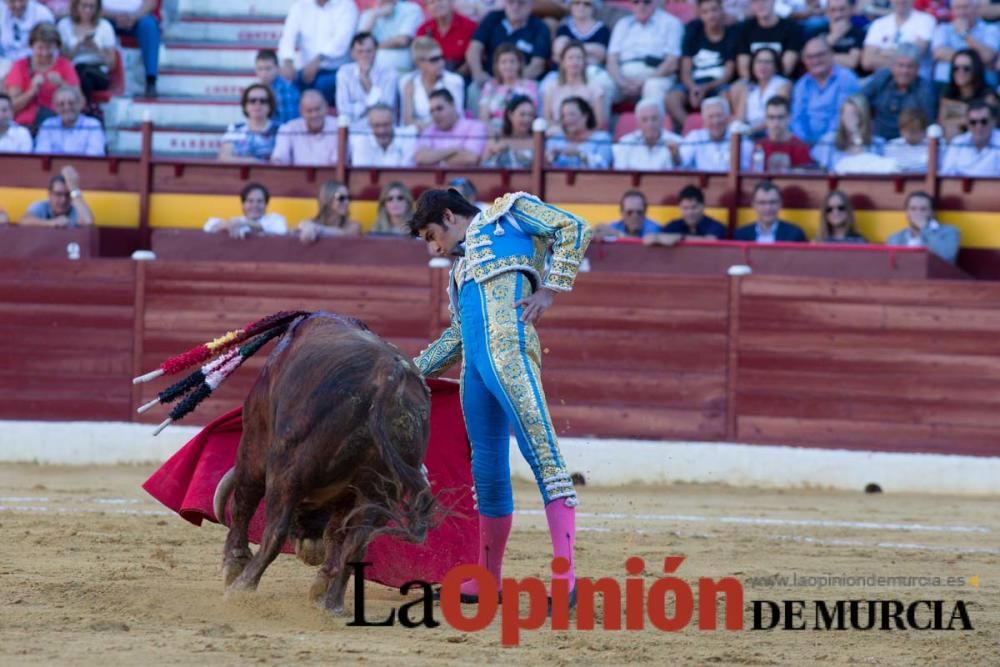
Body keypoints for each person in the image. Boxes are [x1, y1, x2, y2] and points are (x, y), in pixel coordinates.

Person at [409, 187, 591, 605]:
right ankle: (487, 578)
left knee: (543, 455)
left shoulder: (510, 214)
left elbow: (574, 227)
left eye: (431, 235)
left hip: (511, 356)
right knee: (487, 474)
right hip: (475, 371)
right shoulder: (457, 273)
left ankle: (565, 580)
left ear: (450, 216)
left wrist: (549, 290)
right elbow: (457, 335)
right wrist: (407, 372)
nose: (433, 247)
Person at [666, 0, 736, 132]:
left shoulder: (732, 33)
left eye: (714, 10)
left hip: (718, 84)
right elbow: (685, 69)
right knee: (671, 98)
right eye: (705, 12)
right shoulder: (693, 30)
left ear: (721, 10)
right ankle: (691, 128)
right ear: (700, 14)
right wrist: (693, 88)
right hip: (694, 82)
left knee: (726, 95)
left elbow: (728, 73)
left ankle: (721, 130)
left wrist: (706, 88)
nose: (711, 15)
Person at [277, 0, 359, 106]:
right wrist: (288, 62)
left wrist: (317, 61)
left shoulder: (347, 6)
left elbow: (342, 40)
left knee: (321, 87)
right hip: (306, 70)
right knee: (284, 84)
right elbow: (288, 36)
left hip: (337, 70)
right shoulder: (300, 6)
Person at [3, 22, 80, 129]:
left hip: (57, 125)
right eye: (40, 48)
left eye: (49, 48)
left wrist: (62, 84)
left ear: (56, 47)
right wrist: (32, 91)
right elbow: (11, 107)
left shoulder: (65, 65)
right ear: (31, 46)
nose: (44, 53)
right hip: (26, 125)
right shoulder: (20, 66)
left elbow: (81, 102)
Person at [606, 0, 683, 104]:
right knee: (601, 86)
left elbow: (672, 62)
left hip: (656, 74)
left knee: (653, 87)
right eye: (636, 2)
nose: (641, 6)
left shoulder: (671, 23)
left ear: (655, 2)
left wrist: (644, 82)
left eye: (646, 2)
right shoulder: (622, 24)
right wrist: (621, 82)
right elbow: (611, 60)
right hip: (623, 76)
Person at [790, 36, 861, 145]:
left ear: (831, 54)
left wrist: (822, 143)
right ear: (804, 60)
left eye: (820, 55)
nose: (815, 60)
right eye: (810, 57)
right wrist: (803, 142)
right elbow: (797, 119)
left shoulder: (846, 78)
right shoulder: (802, 84)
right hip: (806, 143)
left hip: (837, 142)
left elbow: (840, 118)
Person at [863, 44, 938, 141]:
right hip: (878, 140)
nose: (904, 71)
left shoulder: (925, 90)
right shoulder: (883, 78)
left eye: (910, 66)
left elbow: (929, 123)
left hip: (908, 144)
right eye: (900, 65)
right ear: (893, 66)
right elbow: (859, 100)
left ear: (917, 69)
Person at [466, 0, 551, 85]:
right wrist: (478, 72)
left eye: (521, 3)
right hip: (488, 79)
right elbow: (474, 48)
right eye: (511, 2)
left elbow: (537, 65)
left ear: (531, 5)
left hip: (522, 81)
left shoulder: (540, 28)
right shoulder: (493, 18)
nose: (515, 7)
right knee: (473, 89)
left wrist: (510, 82)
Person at [56, 0, 116, 108]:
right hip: (72, 71)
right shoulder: (64, 25)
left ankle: (83, 108)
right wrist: (78, 45)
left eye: (91, 6)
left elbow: (111, 63)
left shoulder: (105, 26)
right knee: (81, 72)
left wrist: (96, 48)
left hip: (98, 72)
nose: (88, 10)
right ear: (76, 5)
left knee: (85, 72)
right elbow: (62, 60)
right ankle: (86, 107)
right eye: (84, 6)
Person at [400, 36, 465, 132]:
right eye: (434, 59)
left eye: (441, 57)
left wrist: (423, 126)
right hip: (419, 136)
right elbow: (406, 122)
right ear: (419, 63)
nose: (441, 63)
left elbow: (456, 116)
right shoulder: (409, 83)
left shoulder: (454, 81)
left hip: (450, 132)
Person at [811, 93, 888, 172]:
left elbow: (862, 163)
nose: (849, 119)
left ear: (863, 116)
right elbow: (819, 169)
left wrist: (855, 132)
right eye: (846, 114)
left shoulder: (878, 143)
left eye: (854, 115)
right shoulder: (829, 139)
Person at [930, 0, 998, 86]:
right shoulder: (943, 29)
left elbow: (988, 56)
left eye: (966, 7)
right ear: (952, 11)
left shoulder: (991, 29)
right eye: (957, 8)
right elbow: (938, 53)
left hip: (981, 85)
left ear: (976, 9)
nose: (961, 12)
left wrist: (965, 35)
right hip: (946, 83)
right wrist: (976, 59)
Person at [415, 88, 488, 166]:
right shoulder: (429, 130)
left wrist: (435, 160)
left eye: (439, 109)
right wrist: (454, 149)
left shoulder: (474, 127)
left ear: (453, 105)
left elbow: (470, 158)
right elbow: (420, 158)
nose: (435, 115)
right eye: (432, 111)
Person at [335, 32, 397, 124]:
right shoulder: (344, 72)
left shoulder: (389, 73)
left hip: (382, 128)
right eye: (360, 51)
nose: (364, 55)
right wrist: (370, 108)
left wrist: (365, 79)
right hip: (353, 128)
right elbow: (343, 109)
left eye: (368, 51)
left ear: (376, 51)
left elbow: (386, 107)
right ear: (352, 53)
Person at [100, 0, 159, 97]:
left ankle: (151, 79)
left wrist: (133, 17)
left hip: (137, 18)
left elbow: (151, 2)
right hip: (106, 17)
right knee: (98, 25)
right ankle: (100, 78)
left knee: (149, 25)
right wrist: (116, 16)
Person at [937, 49, 998, 141]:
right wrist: (969, 115)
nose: (960, 72)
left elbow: (988, 122)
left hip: (985, 139)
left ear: (975, 70)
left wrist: (958, 113)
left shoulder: (988, 94)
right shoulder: (948, 91)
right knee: (951, 128)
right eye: (956, 68)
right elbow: (942, 120)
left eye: (966, 68)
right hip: (957, 137)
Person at [678, 96, 752, 171]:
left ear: (727, 117)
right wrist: (674, 155)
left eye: (719, 116)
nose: (715, 121)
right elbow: (680, 163)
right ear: (704, 120)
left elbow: (747, 169)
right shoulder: (695, 137)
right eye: (711, 117)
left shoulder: (739, 138)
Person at [734, 0, 803, 80]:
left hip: (781, 82)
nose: (760, 5)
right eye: (755, 2)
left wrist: (767, 87)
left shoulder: (791, 28)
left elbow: (787, 68)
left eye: (765, 1)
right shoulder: (745, 29)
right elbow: (743, 67)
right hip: (753, 83)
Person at [861, 0, 935, 74]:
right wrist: (903, 54)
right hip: (882, 81)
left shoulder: (926, 20)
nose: (900, 1)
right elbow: (867, 62)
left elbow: (914, 57)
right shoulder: (879, 24)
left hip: (916, 81)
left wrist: (882, 52)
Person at [543, 41, 605, 130]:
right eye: (570, 58)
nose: (575, 62)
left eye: (579, 58)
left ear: (584, 62)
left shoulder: (595, 88)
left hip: (586, 136)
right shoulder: (551, 87)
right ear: (563, 62)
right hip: (558, 135)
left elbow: (598, 123)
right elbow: (547, 119)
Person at [886, 190, 959, 263]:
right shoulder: (895, 238)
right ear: (907, 213)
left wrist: (925, 229)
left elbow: (946, 257)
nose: (918, 213)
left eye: (923, 209)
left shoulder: (949, 232)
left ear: (932, 213)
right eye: (913, 209)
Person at [730, 46, 790, 135]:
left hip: (773, 133)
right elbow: (740, 118)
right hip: (750, 134)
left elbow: (778, 115)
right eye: (759, 62)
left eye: (768, 62)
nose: (762, 66)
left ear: (776, 66)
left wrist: (751, 130)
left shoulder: (783, 85)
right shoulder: (748, 88)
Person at [477, 43, 538, 130]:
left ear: (519, 64)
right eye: (503, 62)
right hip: (495, 131)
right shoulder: (490, 86)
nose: (508, 66)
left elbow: (531, 114)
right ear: (497, 66)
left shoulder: (530, 86)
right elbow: (483, 117)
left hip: (522, 130)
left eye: (512, 61)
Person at [271, 90, 339, 166]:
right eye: (309, 111)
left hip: (330, 176)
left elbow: (336, 163)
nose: (314, 115)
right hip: (296, 176)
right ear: (301, 111)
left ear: (326, 107)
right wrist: (278, 160)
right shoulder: (289, 128)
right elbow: (279, 159)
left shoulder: (339, 128)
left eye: (318, 109)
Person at [612, 97, 681, 171]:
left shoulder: (678, 142)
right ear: (638, 122)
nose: (650, 124)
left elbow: (684, 175)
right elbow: (619, 175)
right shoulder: (625, 143)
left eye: (654, 119)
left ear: (662, 119)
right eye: (644, 120)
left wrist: (676, 158)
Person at [357, 0, 424, 74]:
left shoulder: (411, 9)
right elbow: (359, 45)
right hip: (370, 71)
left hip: (400, 71)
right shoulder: (369, 14)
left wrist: (371, 47)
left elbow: (402, 41)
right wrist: (375, 15)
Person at [33, 85, 103, 155]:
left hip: (85, 166)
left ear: (79, 105)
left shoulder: (92, 125)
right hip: (55, 166)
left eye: (71, 103)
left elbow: (95, 156)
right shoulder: (48, 125)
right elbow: (42, 155)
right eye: (61, 104)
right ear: (55, 108)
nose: (67, 108)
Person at [544, 96, 612, 168]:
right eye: (563, 116)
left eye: (572, 114)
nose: (567, 119)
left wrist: (578, 153)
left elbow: (603, 165)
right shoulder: (555, 139)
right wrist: (552, 158)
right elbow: (546, 166)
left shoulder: (601, 138)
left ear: (585, 116)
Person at [218, 83, 279, 162]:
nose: (257, 104)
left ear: (270, 105)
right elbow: (223, 158)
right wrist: (253, 162)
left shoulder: (280, 129)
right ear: (245, 106)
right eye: (252, 101)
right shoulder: (236, 128)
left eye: (263, 101)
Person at [203, 182, 288, 239]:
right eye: (250, 201)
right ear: (243, 205)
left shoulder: (275, 219)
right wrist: (226, 225)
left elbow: (281, 230)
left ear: (266, 204)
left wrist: (244, 223)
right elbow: (208, 226)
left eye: (260, 201)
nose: (255, 205)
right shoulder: (236, 221)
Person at [651, 184, 727, 244]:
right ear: (680, 208)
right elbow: (653, 238)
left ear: (703, 206)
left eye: (694, 208)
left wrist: (680, 237)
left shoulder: (715, 226)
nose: (690, 212)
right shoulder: (673, 225)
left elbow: (711, 241)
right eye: (685, 208)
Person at [733, 180, 807, 242]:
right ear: (753, 205)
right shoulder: (741, 235)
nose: (768, 208)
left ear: (780, 204)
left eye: (773, 202)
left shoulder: (795, 234)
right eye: (762, 203)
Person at [20, 165, 94, 226]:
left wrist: (74, 189)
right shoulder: (42, 206)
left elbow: (88, 222)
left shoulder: (76, 209)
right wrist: (51, 223)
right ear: (49, 195)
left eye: (67, 195)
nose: (63, 200)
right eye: (58, 194)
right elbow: (24, 221)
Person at [940, 101, 1000, 176]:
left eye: (984, 121)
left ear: (993, 122)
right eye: (973, 122)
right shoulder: (957, 142)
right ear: (967, 124)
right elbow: (946, 176)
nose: (979, 127)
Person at [416, 0, 477, 73]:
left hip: (461, 74)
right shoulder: (423, 30)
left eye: (440, 1)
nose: (437, 5)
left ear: (451, 2)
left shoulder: (469, 27)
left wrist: (455, 77)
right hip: (431, 75)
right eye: (432, 2)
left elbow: (474, 59)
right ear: (427, 8)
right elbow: (420, 59)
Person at [0, 0, 55, 80]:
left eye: (21, 1)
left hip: (34, 65)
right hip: (5, 64)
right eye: (12, 1)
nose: (17, 5)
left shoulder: (43, 15)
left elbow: (50, 50)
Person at [349, 103, 417, 167]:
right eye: (377, 125)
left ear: (393, 122)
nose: (381, 130)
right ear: (370, 125)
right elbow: (362, 175)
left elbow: (406, 173)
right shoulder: (361, 141)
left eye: (386, 125)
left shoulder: (407, 137)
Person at [755, 95, 812, 170]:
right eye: (771, 117)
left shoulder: (800, 147)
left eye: (780, 117)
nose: (776, 122)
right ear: (765, 119)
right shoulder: (760, 146)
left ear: (789, 118)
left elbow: (805, 179)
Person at [296, 179, 361, 243]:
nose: (347, 202)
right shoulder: (311, 223)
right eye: (341, 198)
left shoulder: (353, 226)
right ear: (328, 199)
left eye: (348, 198)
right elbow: (301, 226)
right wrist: (304, 226)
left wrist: (316, 229)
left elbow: (343, 234)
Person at [481, 93, 536, 168]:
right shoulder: (497, 138)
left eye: (530, 115)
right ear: (510, 115)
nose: (527, 119)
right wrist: (492, 151)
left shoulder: (538, 140)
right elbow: (482, 165)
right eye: (522, 114)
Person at [593, 190, 663, 239]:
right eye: (629, 212)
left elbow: (643, 246)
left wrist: (620, 236)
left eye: (639, 212)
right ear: (622, 213)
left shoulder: (655, 229)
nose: (635, 216)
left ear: (645, 212)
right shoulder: (615, 226)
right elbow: (597, 230)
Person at [255, 49, 300, 125]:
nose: (264, 73)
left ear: (278, 69)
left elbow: (286, 124)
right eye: (260, 69)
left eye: (268, 68)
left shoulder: (285, 90)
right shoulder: (257, 89)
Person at [817, 0, 864, 71]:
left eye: (842, 9)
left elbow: (852, 62)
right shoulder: (817, 31)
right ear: (827, 12)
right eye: (833, 10)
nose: (838, 14)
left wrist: (822, 57)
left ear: (851, 10)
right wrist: (835, 36)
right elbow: (813, 58)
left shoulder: (859, 33)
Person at [884, 106, 929, 172]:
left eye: (914, 131)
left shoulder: (931, 147)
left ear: (924, 131)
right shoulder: (891, 146)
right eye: (905, 130)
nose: (909, 134)